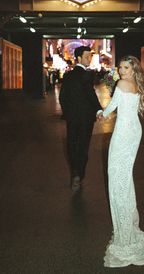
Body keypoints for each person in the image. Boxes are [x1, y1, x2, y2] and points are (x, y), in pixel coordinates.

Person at [100, 56, 144, 267]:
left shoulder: (121, 83)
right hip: (134, 131)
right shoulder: (136, 83)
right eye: (120, 67)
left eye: (126, 67)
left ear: (133, 68)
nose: (121, 70)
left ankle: (125, 228)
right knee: (124, 177)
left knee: (117, 176)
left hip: (124, 134)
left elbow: (112, 106)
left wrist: (102, 112)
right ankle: (126, 222)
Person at [59, 46, 102, 192]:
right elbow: (91, 95)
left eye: (90, 56)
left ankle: (75, 171)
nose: (89, 59)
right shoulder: (87, 75)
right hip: (86, 118)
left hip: (72, 118)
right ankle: (79, 174)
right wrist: (98, 109)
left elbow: (62, 96)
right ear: (78, 58)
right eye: (87, 56)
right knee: (83, 146)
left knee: (72, 145)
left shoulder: (67, 75)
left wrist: (67, 112)